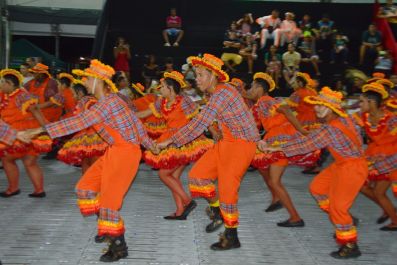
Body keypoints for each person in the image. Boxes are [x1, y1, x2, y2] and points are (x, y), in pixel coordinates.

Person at [22, 59, 159, 262]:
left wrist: (37, 130)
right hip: (116, 151)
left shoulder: (108, 103)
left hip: (125, 155)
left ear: (97, 80)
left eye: (87, 79)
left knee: (109, 203)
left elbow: (79, 122)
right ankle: (106, 226)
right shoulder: (110, 100)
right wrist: (149, 144)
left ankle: (119, 245)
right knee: (85, 188)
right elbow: (135, 123)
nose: (84, 82)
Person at [157, 54, 260, 251]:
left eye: (201, 75)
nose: (197, 79)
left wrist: (170, 142)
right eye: (196, 75)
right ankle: (217, 210)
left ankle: (232, 236)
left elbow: (199, 123)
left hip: (241, 144)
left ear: (213, 76)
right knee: (197, 176)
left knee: (228, 189)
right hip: (225, 141)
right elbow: (210, 118)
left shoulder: (223, 93)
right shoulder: (213, 94)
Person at [259, 87, 367, 259]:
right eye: (316, 104)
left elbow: (305, 145)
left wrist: (273, 147)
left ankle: (350, 244)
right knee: (318, 188)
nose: (316, 108)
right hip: (343, 163)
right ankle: (343, 220)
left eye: (320, 105)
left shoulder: (330, 129)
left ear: (331, 109)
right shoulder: (344, 119)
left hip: (352, 168)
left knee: (339, 207)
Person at [137, 71, 213, 219]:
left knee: (164, 174)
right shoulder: (161, 102)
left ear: (171, 88)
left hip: (184, 140)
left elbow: (200, 119)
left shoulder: (184, 102)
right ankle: (180, 211)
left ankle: (187, 201)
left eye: (163, 86)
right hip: (169, 139)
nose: (160, 89)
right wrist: (124, 115)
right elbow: (143, 114)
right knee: (173, 177)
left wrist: (213, 131)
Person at [249, 72, 318, 220]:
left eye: (253, 87)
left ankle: (294, 217)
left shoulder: (265, 100)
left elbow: (286, 109)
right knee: (262, 167)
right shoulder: (261, 103)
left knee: (274, 180)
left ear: (260, 88)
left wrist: (301, 130)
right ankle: (277, 199)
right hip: (274, 138)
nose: (251, 91)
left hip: (280, 139)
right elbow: (255, 123)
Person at [0, 69, 50, 198]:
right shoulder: (5, 95)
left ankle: (13, 188)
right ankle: (39, 190)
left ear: (10, 84)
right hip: (21, 132)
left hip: (22, 132)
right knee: (29, 162)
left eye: (2, 82)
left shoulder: (22, 95)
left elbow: (34, 110)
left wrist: (46, 128)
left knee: (7, 159)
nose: (0, 85)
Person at [356, 82, 397, 231]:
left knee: (379, 192)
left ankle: (394, 218)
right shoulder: (364, 116)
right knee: (363, 186)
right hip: (374, 156)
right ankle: (389, 210)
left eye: (362, 101)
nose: (359, 104)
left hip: (392, 158)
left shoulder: (391, 118)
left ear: (372, 102)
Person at [57, 80, 108, 173]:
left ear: (80, 93)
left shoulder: (86, 101)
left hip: (94, 139)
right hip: (91, 138)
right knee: (90, 167)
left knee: (92, 169)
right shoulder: (91, 100)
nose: (73, 97)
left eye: (73, 94)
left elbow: (79, 121)